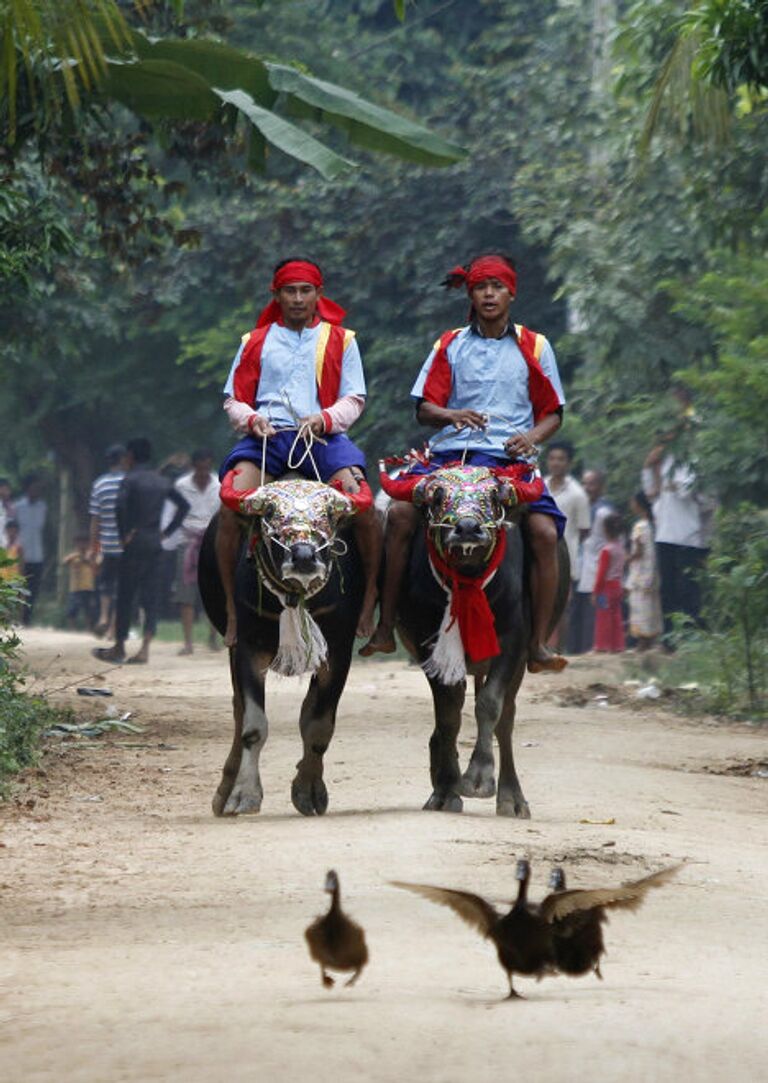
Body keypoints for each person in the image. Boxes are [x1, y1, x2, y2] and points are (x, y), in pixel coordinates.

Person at [361, 252, 568, 673]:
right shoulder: (449, 343)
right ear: (470, 294)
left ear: (512, 292)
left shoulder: (537, 346)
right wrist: (452, 415)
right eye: (480, 287)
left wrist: (530, 437)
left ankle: (537, 642)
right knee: (399, 515)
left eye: (496, 287)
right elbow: (424, 409)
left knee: (545, 533)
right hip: (449, 459)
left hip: (509, 463)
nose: (489, 294)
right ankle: (386, 627)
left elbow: (554, 413)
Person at [217, 257, 381, 647]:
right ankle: (231, 608)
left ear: (318, 294)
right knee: (229, 508)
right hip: (266, 440)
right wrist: (252, 418)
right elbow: (233, 400)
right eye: (289, 291)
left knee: (365, 507)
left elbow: (355, 398)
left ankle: (369, 599)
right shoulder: (254, 341)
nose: (297, 298)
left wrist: (325, 418)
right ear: (276, 295)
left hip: (322, 439)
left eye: (305, 290)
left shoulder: (343, 340)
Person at [93, 438, 189, 665]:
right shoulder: (162, 481)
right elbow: (184, 506)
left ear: (130, 456)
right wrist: (167, 532)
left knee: (126, 595)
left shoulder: (130, 479)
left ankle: (119, 647)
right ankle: (145, 648)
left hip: (134, 542)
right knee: (151, 596)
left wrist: (124, 533)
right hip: (155, 541)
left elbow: (120, 506)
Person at [643, 387, 715, 643]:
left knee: (689, 587)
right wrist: (652, 467)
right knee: (669, 588)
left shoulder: (696, 448)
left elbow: (700, 494)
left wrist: (677, 486)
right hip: (666, 528)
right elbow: (651, 491)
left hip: (691, 532)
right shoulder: (665, 455)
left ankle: (693, 640)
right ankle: (671, 640)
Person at [172, 449, 221, 655]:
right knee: (186, 594)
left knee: (215, 592)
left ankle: (213, 638)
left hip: (212, 541)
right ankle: (188, 642)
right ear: (193, 467)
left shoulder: (219, 484)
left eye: (206, 468)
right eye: (200, 468)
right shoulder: (181, 486)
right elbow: (173, 514)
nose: (203, 472)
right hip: (188, 541)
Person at [544, 441, 590, 650]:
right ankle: (539, 645)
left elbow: (584, 529)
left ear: (569, 463)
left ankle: (559, 649)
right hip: (539, 553)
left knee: (561, 605)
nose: (556, 463)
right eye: (553, 458)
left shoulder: (578, 494)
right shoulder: (540, 487)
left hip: (566, 556)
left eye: (561, 459)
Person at [568, 469, 615, 655]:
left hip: (598, 567)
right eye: (585, 484)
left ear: (601, 487)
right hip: (578, 565)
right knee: (575, 612)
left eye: (592, 484)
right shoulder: (580, 506)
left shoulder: (606, 511)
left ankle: (592, 648)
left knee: (593, 612)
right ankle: (574, 651)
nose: (588, 488)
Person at [89, 443, 127, 636]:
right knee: (121, 586)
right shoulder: (128, 482)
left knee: (106, 583)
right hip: (125, 544)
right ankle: (113, 625)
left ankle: (103, 615)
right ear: (122, 459)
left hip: (106, 544)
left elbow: (95, 519)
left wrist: (92, 547)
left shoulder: (99, 484)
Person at [626, 491, 662, 650]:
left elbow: (638, 551)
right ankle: (652, 638)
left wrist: (627, 559)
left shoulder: (639, 526)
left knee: (639, 605)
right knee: (651, 605)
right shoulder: (653, 525)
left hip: (640, 572)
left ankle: (642, 640)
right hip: (652, 570)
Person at [13, 474, 47, 625]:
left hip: (37, 554)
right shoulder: (18, 507)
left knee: (33, 589)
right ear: (27, 489)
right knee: (18, 588)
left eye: (38, 489)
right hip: (21, 554)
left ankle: (27, 620)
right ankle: (15, 618)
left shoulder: (42, 507)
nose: (36, 491)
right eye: (33, 488)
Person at [591, 512, 626, 653]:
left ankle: (602, 645)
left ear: (605, 530)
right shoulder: (620, 548)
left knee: (603, 615)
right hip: (617, 585)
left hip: (606, 587)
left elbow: (601, 574)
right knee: (616, 615)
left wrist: (595, 592)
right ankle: (617, 645)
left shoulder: (606, 550)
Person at [62, 534, 98, 631]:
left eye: (84, 542)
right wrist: (76, 556)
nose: (82, 545)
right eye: (79, 542)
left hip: (88, 586)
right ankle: (72, 629)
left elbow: (96, 566)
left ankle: (89, 628)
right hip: (75, 587)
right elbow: (64, 562)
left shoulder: (91, 555)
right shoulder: (74, 556)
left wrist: (86, 559)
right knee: (72, 608)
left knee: (88, 609)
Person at [0, 477, 16, 547]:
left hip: (10, 548)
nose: (7, 492)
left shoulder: (13, 508)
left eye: (8, 490)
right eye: (4, 489)